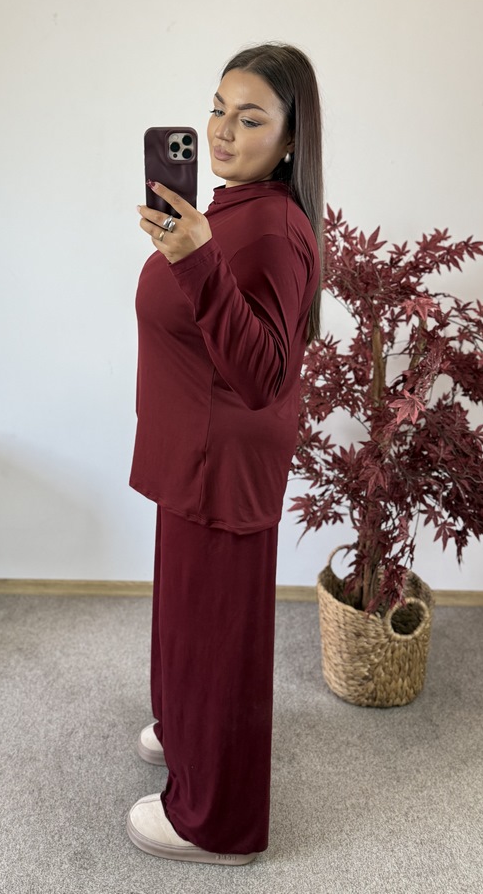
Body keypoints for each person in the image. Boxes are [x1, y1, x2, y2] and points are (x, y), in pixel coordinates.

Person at [127, 42, 323, 866]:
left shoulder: (271, 228)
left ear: (289, 139)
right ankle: (185, 733)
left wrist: (194, 256)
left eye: (248, 119)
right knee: (184, 616)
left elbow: (262, 373)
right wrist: (195, 246)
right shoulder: (231, 207)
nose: (220, 130)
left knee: (216, 638)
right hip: (191, 446)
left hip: (221, 457)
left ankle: (219, 824)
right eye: (215, 109)